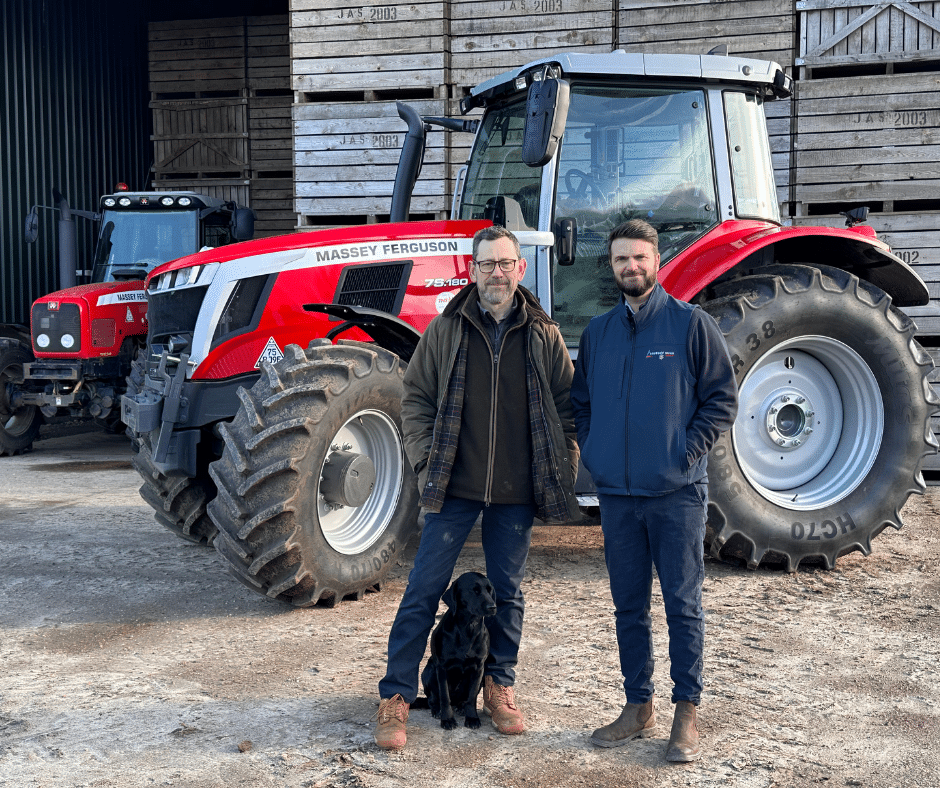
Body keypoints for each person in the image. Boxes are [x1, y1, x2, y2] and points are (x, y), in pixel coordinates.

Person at [374, 224, 581, 750]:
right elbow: (415, 397)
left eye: (504, 263)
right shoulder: (446, 330)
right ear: (472, 269)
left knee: (506, 593)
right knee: (423, 590)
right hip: (454, 484)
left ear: (520, 269)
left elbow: (567, 407)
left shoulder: (542, 334)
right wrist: (424, 462)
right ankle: (396, 695)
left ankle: (499, 684)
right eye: (486, 264)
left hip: (516, 489)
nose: (495, 273)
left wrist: (563, 459)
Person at [570, 219, 737, 763]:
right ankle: (637, 706)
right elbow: (583, 403)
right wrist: (594, 453)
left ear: (657, 260)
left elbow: (721, 400)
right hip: (618, 496)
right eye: (621, 259)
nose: (631, 267)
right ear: (612, 265)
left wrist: (683, 455)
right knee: (628, 607)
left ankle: (685, 712)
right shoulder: (597, 332)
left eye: (639, 257)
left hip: (676, 495)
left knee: (682, 604)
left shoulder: (690, 325)